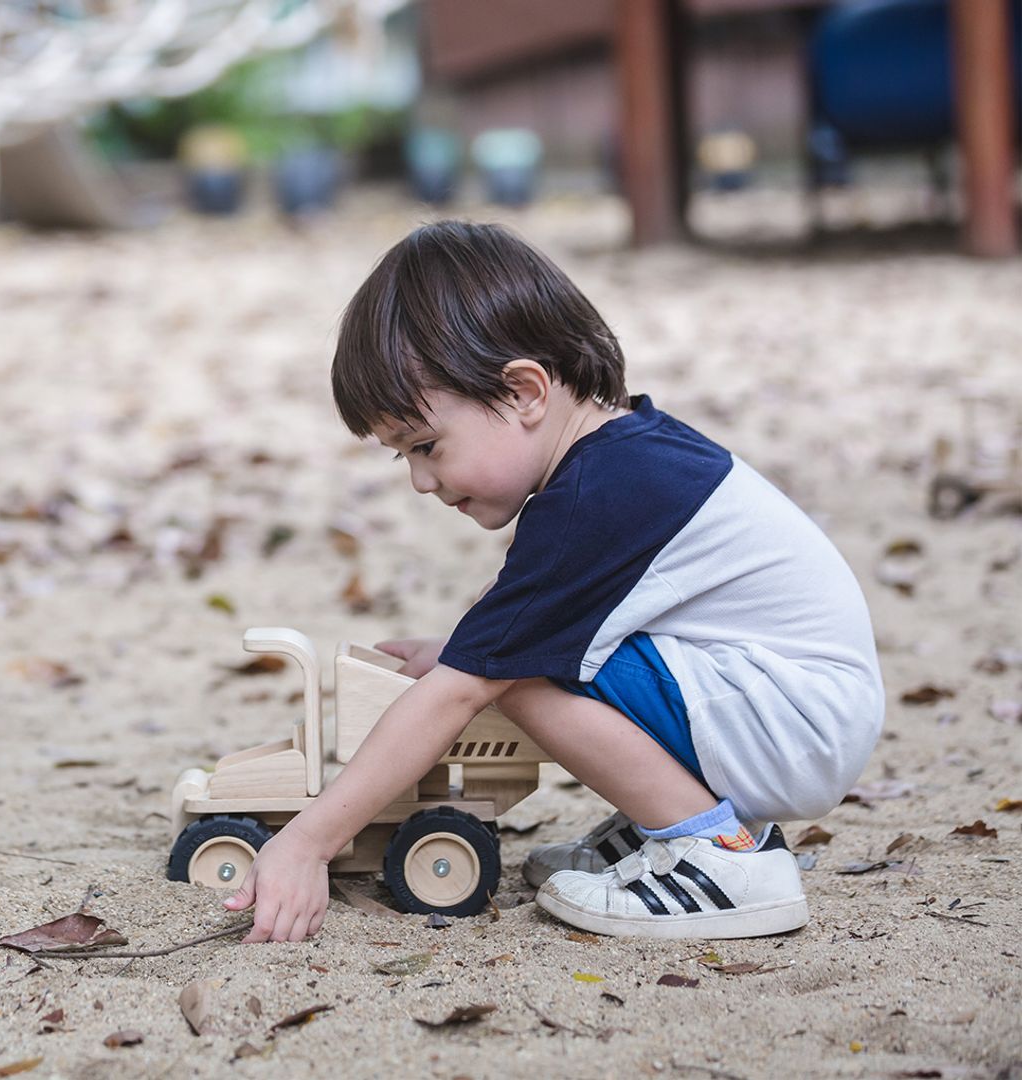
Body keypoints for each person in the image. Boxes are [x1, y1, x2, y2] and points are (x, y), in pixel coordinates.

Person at [225, 220, 884, 942]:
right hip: (787, 709)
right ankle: (672, 826)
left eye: (426, 445)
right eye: (401, 458)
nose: (419, 480)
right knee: (513, 653)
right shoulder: (623, 459)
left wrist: (309, 840)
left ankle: (716, 858)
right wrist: (459, 650)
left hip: (792, 720)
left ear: (525, 391)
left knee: (520, 672)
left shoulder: (595, 498)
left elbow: (470, 685)